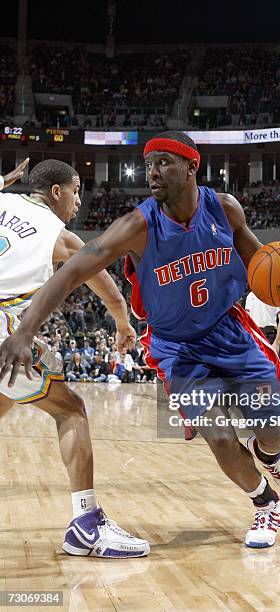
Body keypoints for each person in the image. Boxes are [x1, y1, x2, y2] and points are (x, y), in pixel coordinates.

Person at [0, 133, 280, 549]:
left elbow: (264, 269)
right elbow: (73, 271)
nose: (152, 172)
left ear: (192, 167)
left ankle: (271, 455)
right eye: (149, 164)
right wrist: (24, 331)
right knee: (219, 436)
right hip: (176, 347)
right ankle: (266, 504)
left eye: (164, 162)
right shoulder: (138, 225)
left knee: (273, 431)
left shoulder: (224, 208)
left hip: (230, 332)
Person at [0, 158, 149, 558]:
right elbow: (111, 291)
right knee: (72, 410)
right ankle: (86, 524)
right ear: (56, 192)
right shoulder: (57, 234)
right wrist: (122, 324)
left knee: (4, 400)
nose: (79, 201)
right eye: (76, 190)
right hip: (3, 330)